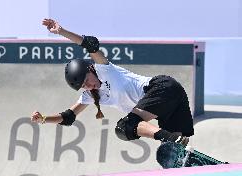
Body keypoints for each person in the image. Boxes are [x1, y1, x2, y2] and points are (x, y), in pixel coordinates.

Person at [31, 18, 194, 146]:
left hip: (162, 88)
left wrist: (61, 31)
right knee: (176, 152)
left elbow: (90, 44)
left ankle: (170, 139)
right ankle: (179, 147)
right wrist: (44, 119)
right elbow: (67, 117)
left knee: (125, 127)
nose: (88, 86)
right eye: (83, 86)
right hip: (169, 102)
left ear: (90, 69)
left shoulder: (103, 68)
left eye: (87, 80)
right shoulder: (90, 95)